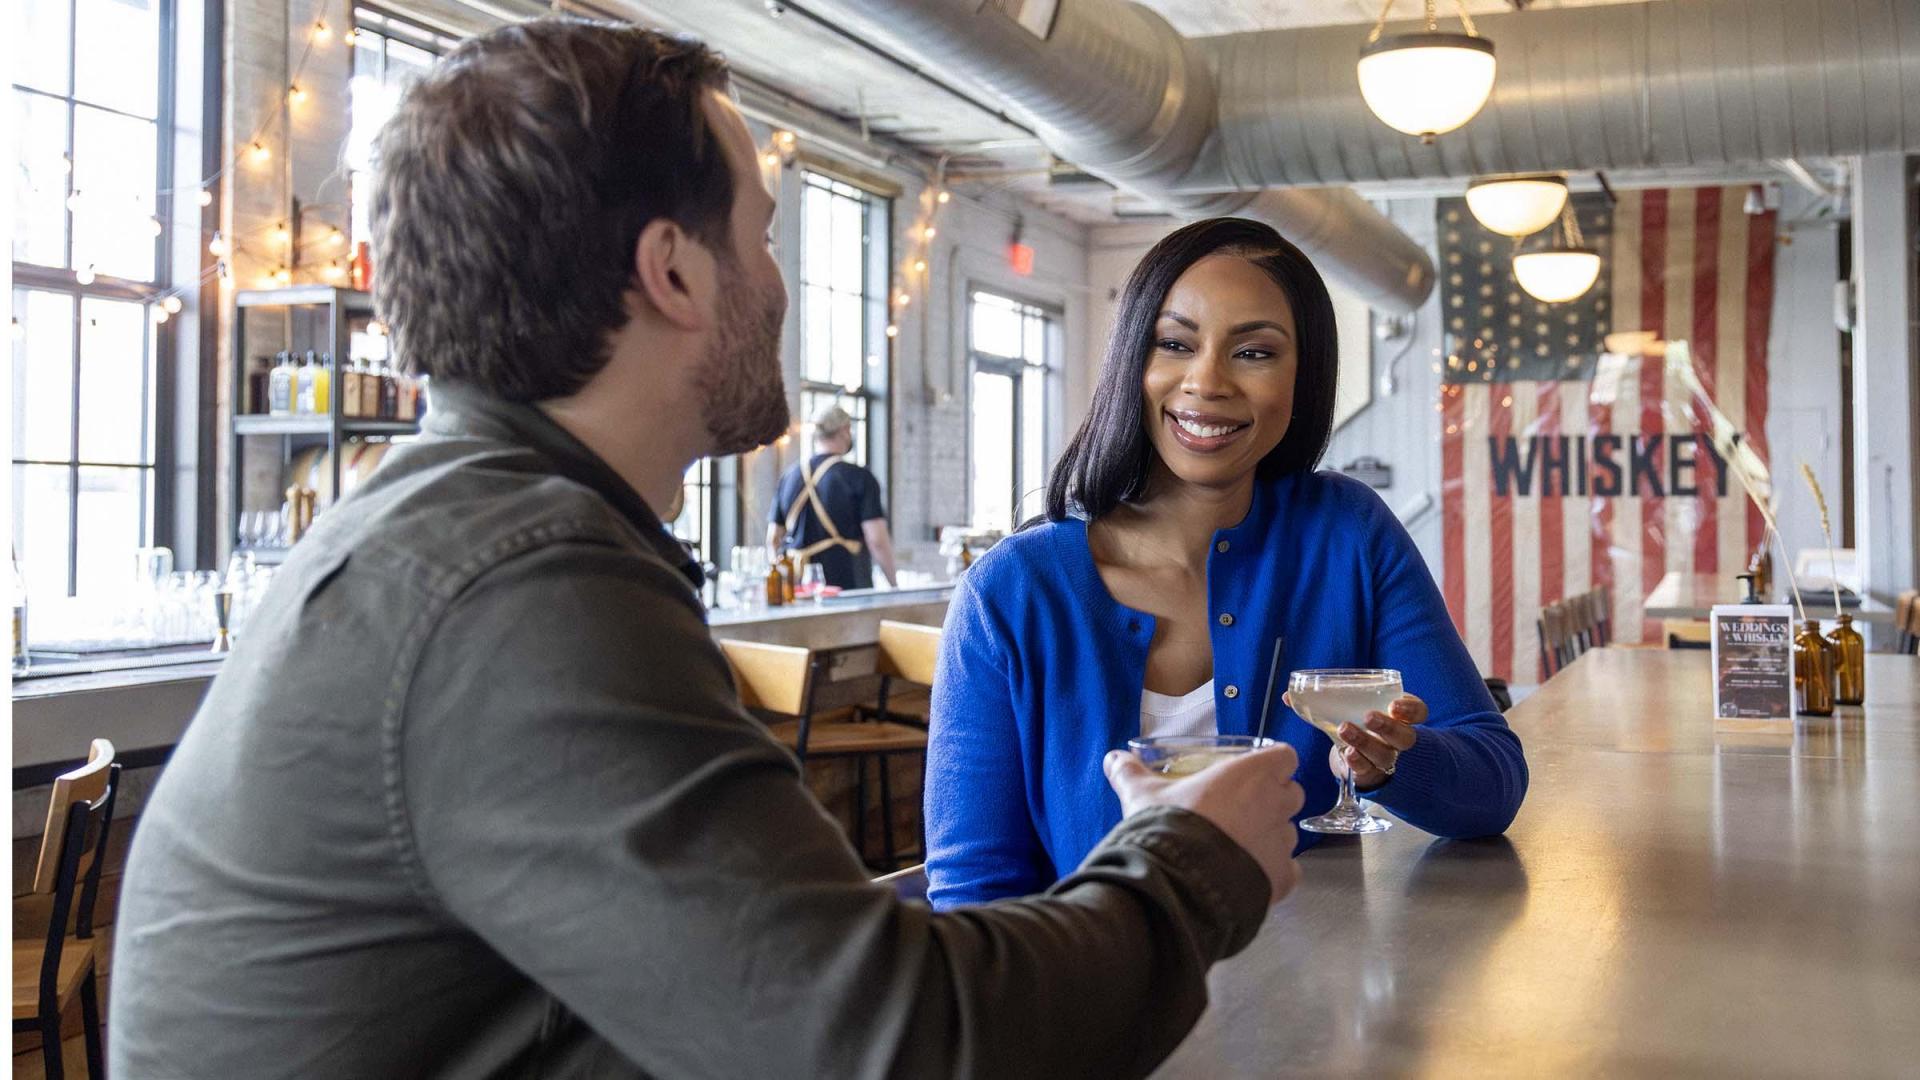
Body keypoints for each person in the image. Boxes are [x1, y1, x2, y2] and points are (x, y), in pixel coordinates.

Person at [109, 21, 1308, 1079]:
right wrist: (1187, 860)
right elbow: (900, 1045)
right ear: (674, 273)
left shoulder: (471, 531)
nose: (782, 288)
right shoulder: (517, 591)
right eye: (765, 237)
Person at [924, 218, 1529, 910]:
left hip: (1311, 1000)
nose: (1206, 381)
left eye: (1254, 352)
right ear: (1132, 361)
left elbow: (1494, 786)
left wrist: (1397, 760)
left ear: (1303, 377)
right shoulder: (1009, 593)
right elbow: (974, 897)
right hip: (1093, 1003)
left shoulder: (1349, 536)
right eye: (1175, 344)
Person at [767, 403, 897, 589]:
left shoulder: (789, 476)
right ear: (845, 430)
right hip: (846, 584)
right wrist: (893, 583)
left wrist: (781, 580)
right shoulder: (859, 478)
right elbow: (877, 540)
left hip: (798, 586)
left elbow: (773, 539)